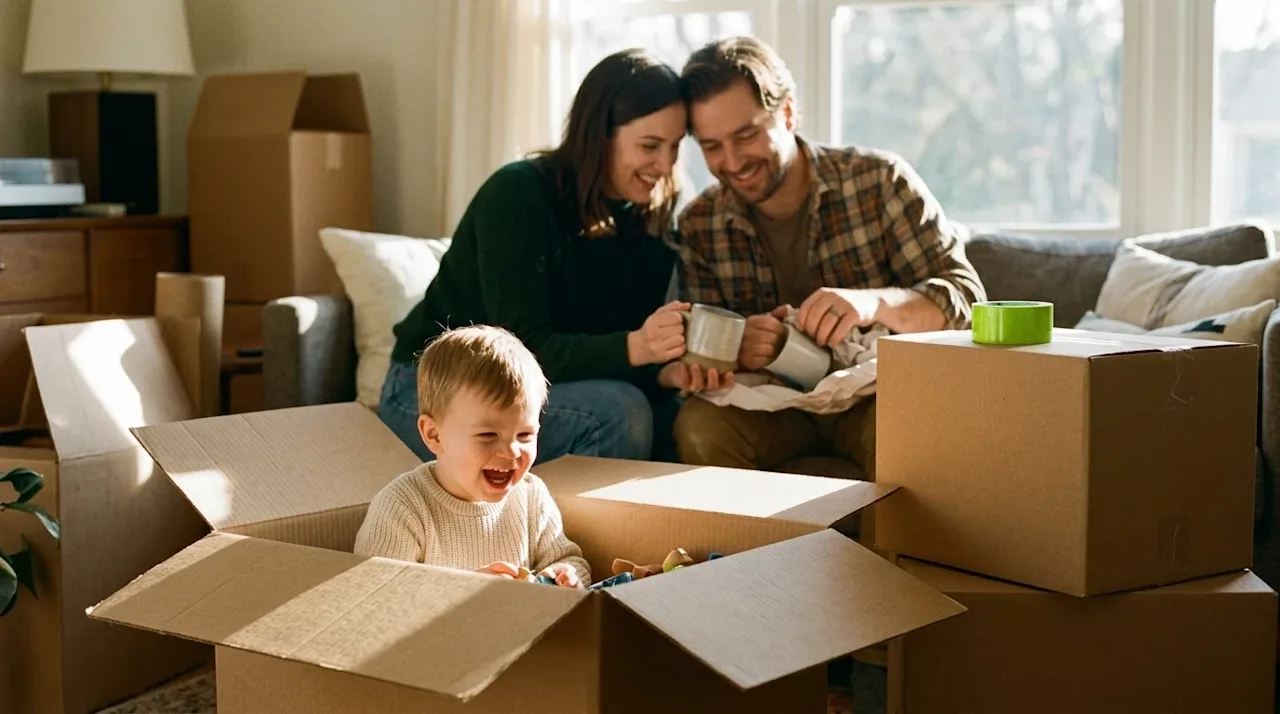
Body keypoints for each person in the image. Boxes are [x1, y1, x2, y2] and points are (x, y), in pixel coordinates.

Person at [668, 37, 987, 477]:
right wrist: (736, 351)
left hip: (879, 397)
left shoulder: (879, 182)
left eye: (747, 135)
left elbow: (967, 301)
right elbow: (703, 351)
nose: (733, 161)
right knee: (700, 425)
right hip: (771, 406)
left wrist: (871, 303)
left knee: (914, 427)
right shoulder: (700, 224)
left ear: (788, 113)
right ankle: (741, 549)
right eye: (712, 147)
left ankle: (888, 550)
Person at [379, 48, 695, 465]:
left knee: (676, 415)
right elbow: (523, 347)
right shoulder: (519, 194)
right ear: (598, 136)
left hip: (543, 388)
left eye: (675, 147)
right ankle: (555, 532)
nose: (665, 164)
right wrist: (638, 348)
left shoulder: (652, 218)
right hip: (432, 391)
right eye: (650, 145)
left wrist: (662, 372)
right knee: (620, 413)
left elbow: (603, 345)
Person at [355, 325, 591, 588]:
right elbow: (375, 596)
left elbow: (571, 560)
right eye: (488, 435)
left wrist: (565, 575)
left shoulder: (531, 497)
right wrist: (466, 591)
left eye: (525, 435)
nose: (512, 451)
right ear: (434, 435)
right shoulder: (402, 508)